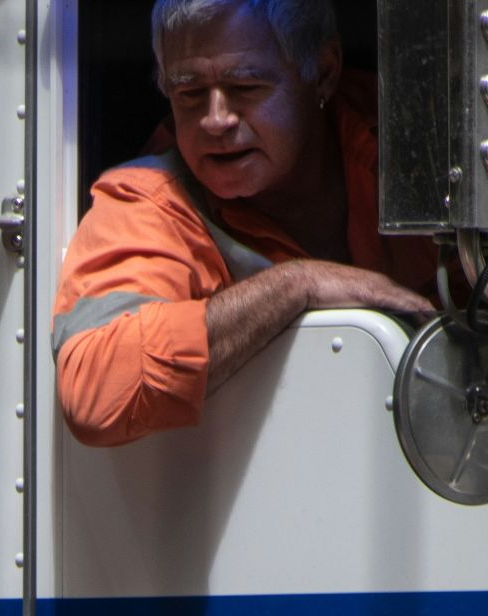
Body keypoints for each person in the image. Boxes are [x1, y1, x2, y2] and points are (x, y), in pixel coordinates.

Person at [53, 0, 439, 447]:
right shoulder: (149, 200)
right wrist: (297, 285)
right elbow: (95, 391)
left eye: (246, 86)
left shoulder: (422, 146)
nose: (216, 119)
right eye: (189, 92)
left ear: (324, 72)